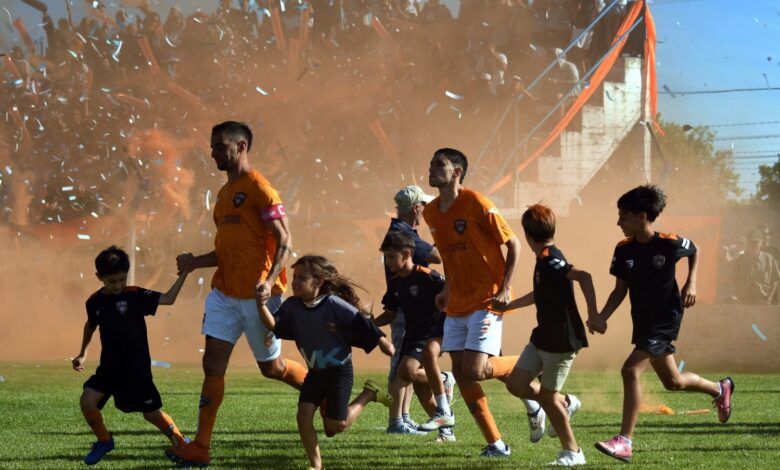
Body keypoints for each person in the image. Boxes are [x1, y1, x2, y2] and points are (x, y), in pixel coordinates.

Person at [168, 121, 308, 467]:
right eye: (212, 146)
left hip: (259, 298)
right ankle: (200, 447)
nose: (213, 152)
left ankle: (322, 394)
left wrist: (269, 280)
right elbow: (229, 249)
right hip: (224, 294)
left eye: (220, 146)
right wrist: (195, 262)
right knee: (212, 364)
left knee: (272, 368)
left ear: (241, 146)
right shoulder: (223, 194)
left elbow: (285, 240)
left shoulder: (261, 189)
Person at [592, 185, 734, 463]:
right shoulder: (623, 249)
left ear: (642, 216)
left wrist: (691, 282)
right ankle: (720, 388)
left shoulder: (669, 243)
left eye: (623, 216)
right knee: (673, 382)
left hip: (665, 318)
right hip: (643, 321)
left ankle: (624, 441)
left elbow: (695, 249)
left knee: (630, 370)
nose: (618, 222)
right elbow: (620, 290)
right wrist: (602, 316)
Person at [423, 147, 541, 457]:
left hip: (487, 298)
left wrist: (506, 288)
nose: (431, 169)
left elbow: (513, 244)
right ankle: (496, 444)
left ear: (456, 172)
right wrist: (447, 288)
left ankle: (534, 365)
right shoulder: (430, 212)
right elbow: (449, 256)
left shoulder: (477, 202)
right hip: (456, 304)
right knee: (462, 373)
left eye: (439, 164)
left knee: (475, 369)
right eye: (431, 164)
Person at [257, 255, 394, 470]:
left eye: (302, 278)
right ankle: (316, 466)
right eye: (294, 277)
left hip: (339, 372)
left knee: (336, 426)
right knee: (303, 417)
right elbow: (275, 325)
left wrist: (382, 341)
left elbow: (361, 321)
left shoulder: (333, 304)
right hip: (315, 373)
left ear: (319, 281)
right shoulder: (292, 306)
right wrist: (260, 305)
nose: (295, 282)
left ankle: (369, 394)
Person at [72, 246, 189, 465]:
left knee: (151, 413)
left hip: (136, 369)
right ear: (99, 277)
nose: (118, 285)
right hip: (109, 368)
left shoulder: (135, 295)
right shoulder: (94, 302)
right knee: (87, 401)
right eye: (112, 281)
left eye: (121, 279)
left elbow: (168, 298)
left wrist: (185, 273)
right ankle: (104, 441)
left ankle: (181, 443)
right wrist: (82, 354)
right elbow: (91, 325)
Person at [502, 204, 597, 466]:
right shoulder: (543, 259)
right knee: (515, 384)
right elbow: (539, 294)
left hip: (562, 340)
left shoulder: (550, 259)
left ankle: (573, 453)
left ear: (527, 235)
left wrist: (594, 315)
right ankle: (566, 402)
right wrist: (509, 306)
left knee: (546, 397)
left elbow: (584, 276)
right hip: (542, 337)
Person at [383, 185, 453, 438]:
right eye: (424, 205)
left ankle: (404, 417)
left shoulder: (401, 231)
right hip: (407, 309)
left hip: (420, 316)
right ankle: (400, 419)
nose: (426, 209)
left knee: (408, 368)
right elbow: (437, 256)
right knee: (402, 367)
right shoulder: (403, 234)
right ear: (416, 208)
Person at [732, 228, 780, 305]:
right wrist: (740, 297)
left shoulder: (769, 259)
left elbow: (774, 280)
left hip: (763, 302)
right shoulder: (740, 260)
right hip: (744, 302)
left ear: (761, 243)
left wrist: (769, 299)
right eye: (751, 243)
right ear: (747, 243)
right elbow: (735, 281)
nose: (753, 245)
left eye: (756, 243)